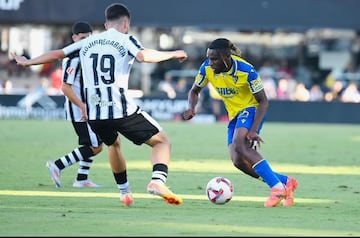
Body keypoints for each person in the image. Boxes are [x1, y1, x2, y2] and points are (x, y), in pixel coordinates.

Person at [12, 3, 187, 207]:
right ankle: (157, 181)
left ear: (105, 24)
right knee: (162, 142)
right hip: (120, 108)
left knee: (113, 144)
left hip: (94, 113)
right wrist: (174, 53)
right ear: (125, 23)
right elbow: (143, 56)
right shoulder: (126, 39)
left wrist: (27, 62)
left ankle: (125, 193)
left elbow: (57, 54)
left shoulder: (88, 41)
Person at [182, 38, 298, 207]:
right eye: (209, 58)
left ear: (225, 57)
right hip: (234, 114)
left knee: (240, 144)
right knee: (238, 161)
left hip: (252, 108)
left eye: (214, 58)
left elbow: (264, 102)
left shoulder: (247, 71)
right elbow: (194, 90)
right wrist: (192, 108)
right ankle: (286, 182)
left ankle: (277, 188)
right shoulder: (206, 68)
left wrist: (254, 130)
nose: (210, 62)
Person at [45, 21, 103, 189]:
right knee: (96, 146)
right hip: (78, 108)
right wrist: (81, 105)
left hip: (87, 106)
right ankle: (57, 165)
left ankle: (81, 179)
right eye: (83, 38)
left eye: (89, 38)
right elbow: (65, 87)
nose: (86, 41)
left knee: (93, 143)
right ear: (74, 38)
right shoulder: (73, 58)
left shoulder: (87, 54)